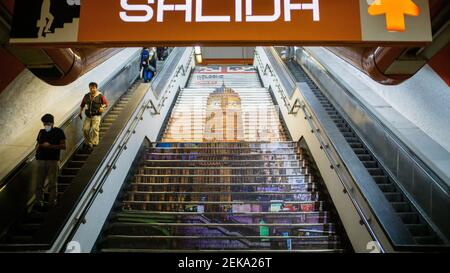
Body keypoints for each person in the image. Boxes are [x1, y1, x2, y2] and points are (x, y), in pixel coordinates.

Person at [35, 114, 66, 208]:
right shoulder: (41, 132)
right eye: (44, 123)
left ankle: (52, 202)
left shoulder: (59, 131)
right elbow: (37, 145)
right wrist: (40, 146)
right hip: (41, 160)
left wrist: (50, 146)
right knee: (39, 183)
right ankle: (39, 201)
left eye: (47, 123)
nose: (45, 125)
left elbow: (63, 146)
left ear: (52, 123)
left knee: (52, 182)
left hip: (53, 160)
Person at [79, 82, 108, 151]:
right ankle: (89, 143)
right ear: (89, 88)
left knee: (95, 129)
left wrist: (102, 107)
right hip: (88, 117)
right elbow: (82, 105)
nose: (92, 89)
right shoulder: (86, 96)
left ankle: (95, 143)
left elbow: (106, 104)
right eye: (91, 88)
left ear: (96, 88)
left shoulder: (100, 95)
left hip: (96, 116)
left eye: (93, 88)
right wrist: (80, 112)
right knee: (85, 130)